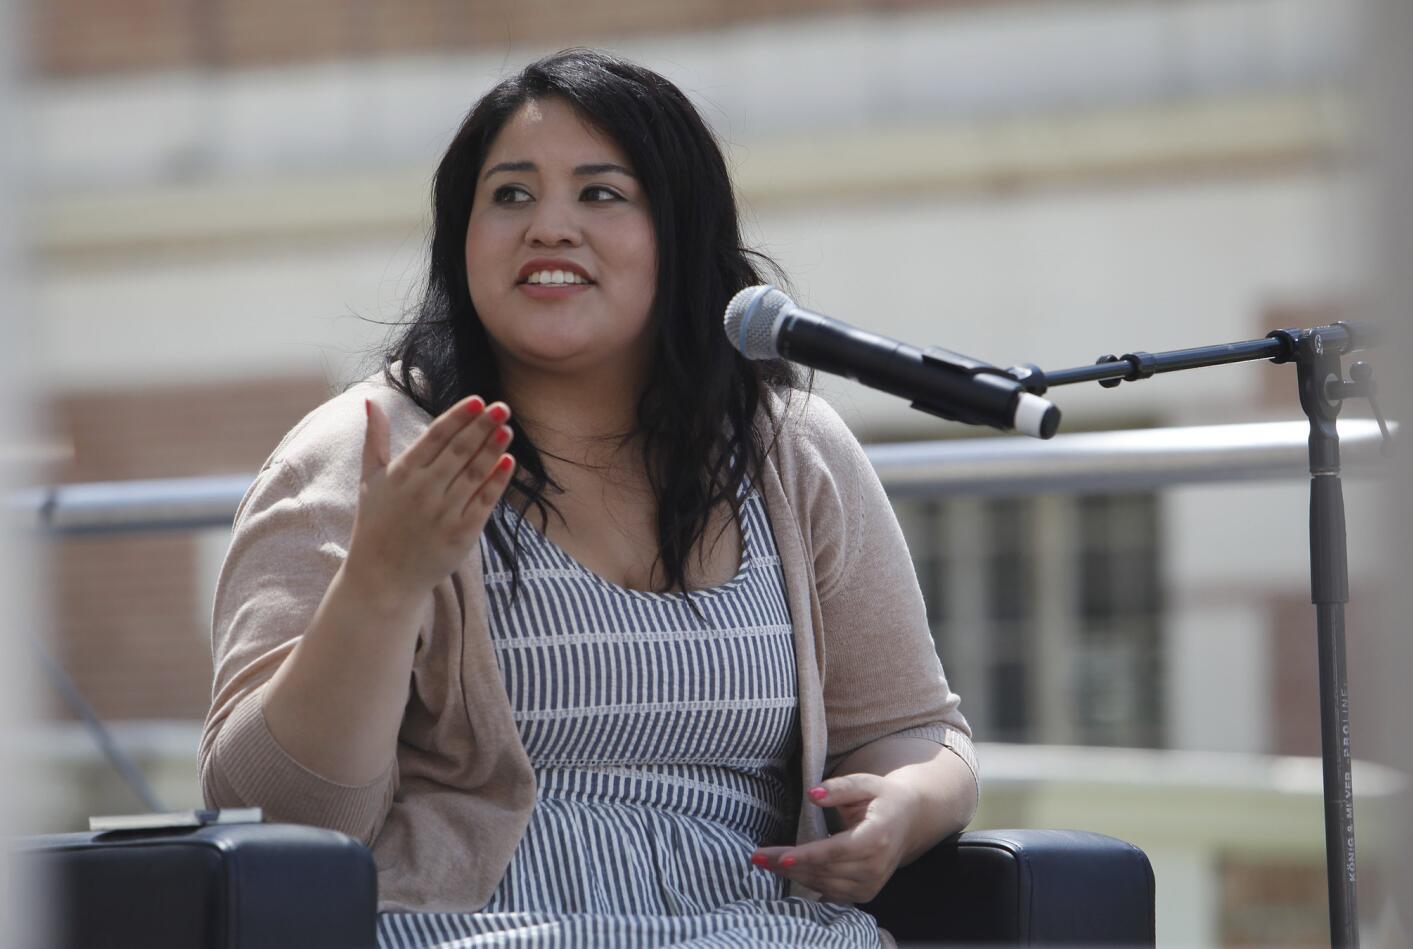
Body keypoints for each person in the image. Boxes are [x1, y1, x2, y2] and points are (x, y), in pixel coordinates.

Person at [200, 48, 979, 948]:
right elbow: (274, 819)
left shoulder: (789, 450)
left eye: (600, 194)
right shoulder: (367, 453)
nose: (549, 227)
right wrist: (381, 582)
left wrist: (903, 810)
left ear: (680, 233)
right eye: (511, 196)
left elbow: (915, 730)